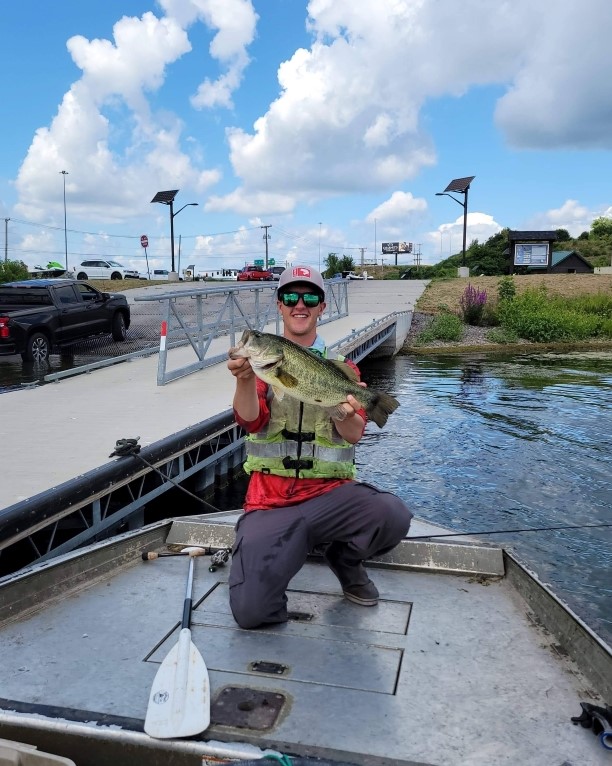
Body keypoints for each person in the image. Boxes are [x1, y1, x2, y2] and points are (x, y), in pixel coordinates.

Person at [226, 265, 412, 629]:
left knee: (392, 514)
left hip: (330, 495)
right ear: (279, 305)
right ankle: (277, 557)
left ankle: (344, 558)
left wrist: (341, 411)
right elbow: (250, 420)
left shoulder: (342, 368)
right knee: (251, 613)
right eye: (291, 297)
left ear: (321, 307)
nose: (300, 304)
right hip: (271, 500)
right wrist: (246, 380)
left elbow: (355, 434)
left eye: (309, 297)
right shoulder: (263, 366)